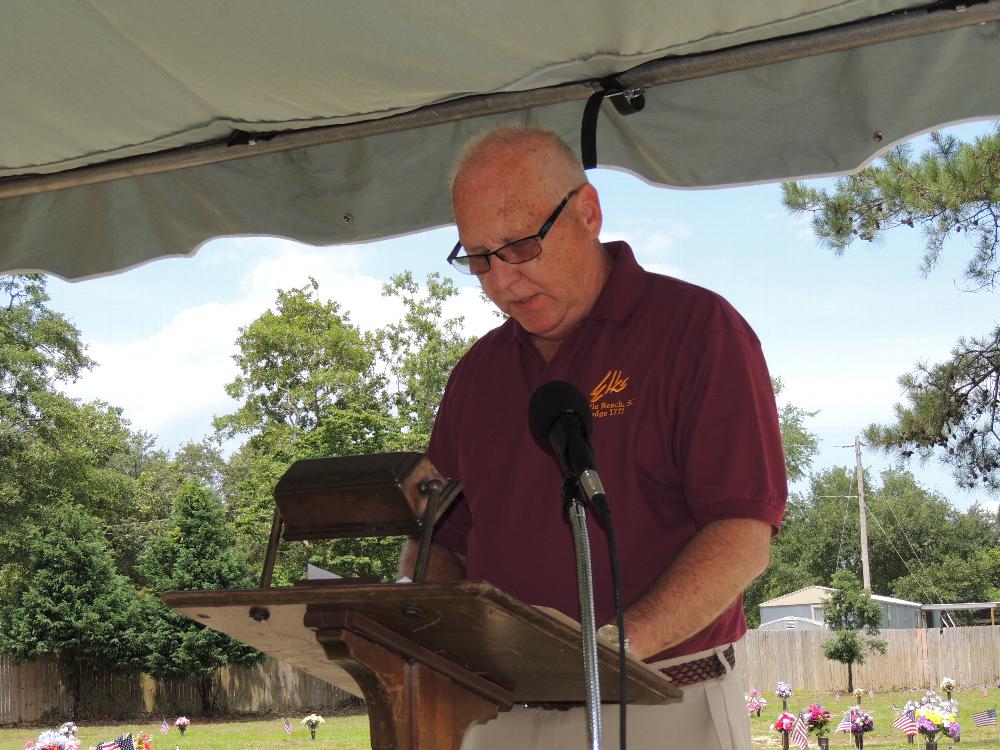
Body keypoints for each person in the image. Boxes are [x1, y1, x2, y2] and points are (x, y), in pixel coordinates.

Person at [399, 126, 787, 749]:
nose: (501, 281)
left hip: (662, 700)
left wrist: (612, 647)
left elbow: (742, 535)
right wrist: (422, 621)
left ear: (587, 213)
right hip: (499, 712)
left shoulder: (698, 331)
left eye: (520, 246)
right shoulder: (476, 374)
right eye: (478, 258)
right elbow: (437, 538)